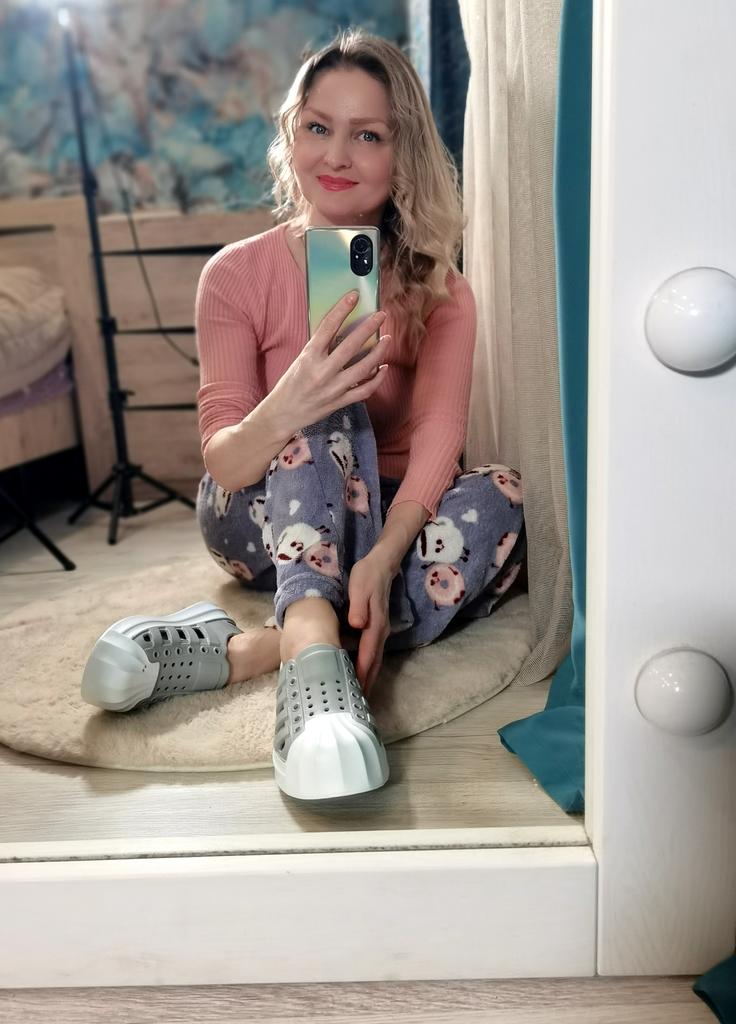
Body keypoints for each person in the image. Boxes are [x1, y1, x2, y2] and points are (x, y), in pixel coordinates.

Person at [80, 28, 526, 798]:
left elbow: (439, 435)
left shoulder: (440, 288)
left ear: (404, 153)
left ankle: (257, 648)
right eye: (318, 127)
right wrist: (294, 398)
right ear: (292, 136)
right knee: (327, 413)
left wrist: (383, 556)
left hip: (380, 524)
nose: (338, 156)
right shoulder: (235, 275)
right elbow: (224, 460)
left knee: (505, 496)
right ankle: (315, 652)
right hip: (257, 513)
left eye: (368, 135)